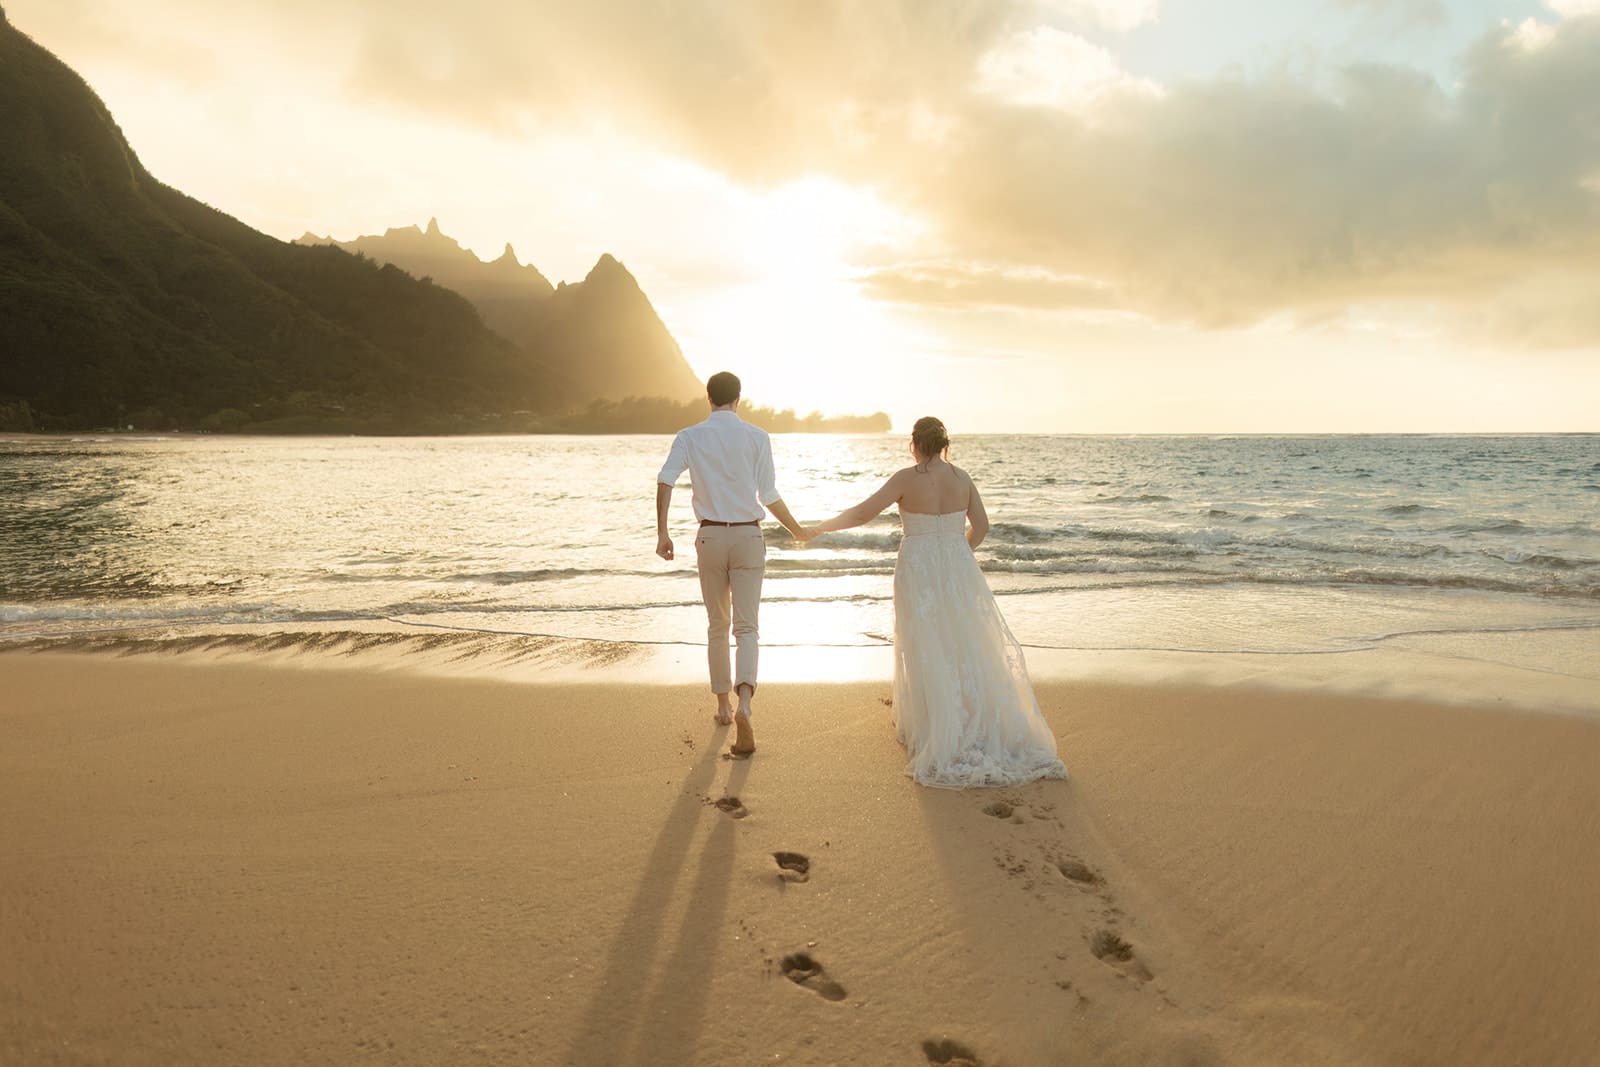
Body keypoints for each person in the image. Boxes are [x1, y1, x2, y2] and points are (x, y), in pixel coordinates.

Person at [806, 417, 1066, 788]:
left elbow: (864, 513)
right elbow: (983, 525)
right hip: (959, 567)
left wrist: (818, 527)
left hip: (918, 568)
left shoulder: (905, 479)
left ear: (914, 444)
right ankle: (975, 718)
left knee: (925, 643)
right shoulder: (962, 479)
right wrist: (959, 552)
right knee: (967, 643)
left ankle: (937, 728)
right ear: (945, 444)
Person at [656, 372, 809, 756]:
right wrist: (796, 530)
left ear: (708, 398)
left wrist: (663, 533)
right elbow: (769, 494)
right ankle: (745, 702)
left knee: (717, 624)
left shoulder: (690, 436)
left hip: (710, 537)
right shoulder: (757, 436)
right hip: (747, 536)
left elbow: (665, 479)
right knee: (747, 627)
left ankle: (722, 706)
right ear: (739, 399)